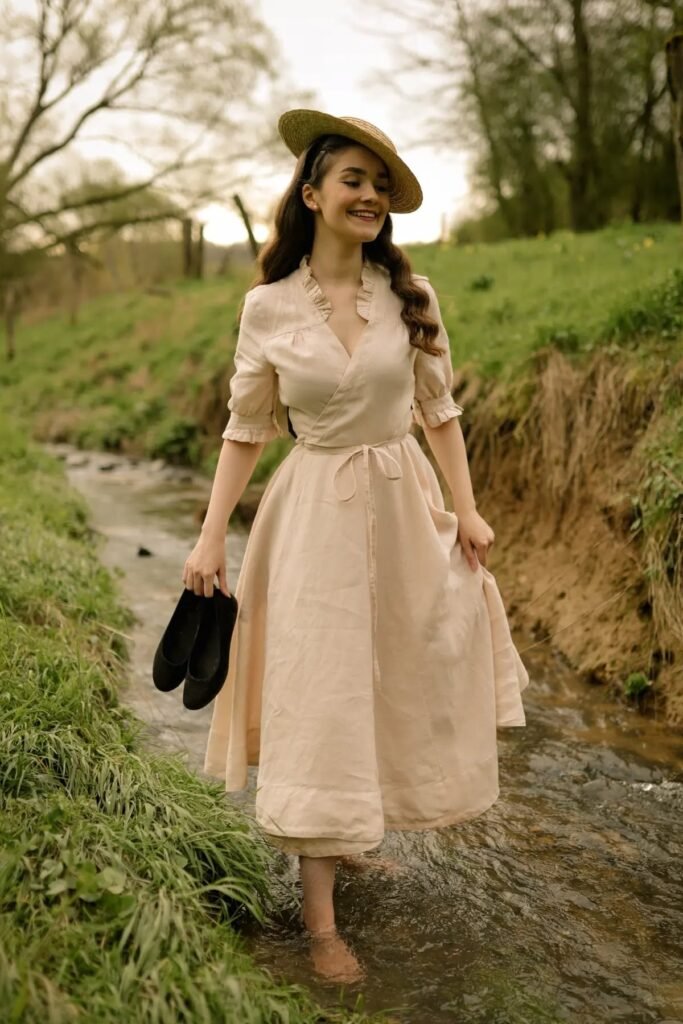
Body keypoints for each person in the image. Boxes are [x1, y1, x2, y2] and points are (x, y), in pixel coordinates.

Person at [185, 109, 529, 982]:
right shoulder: (264, 306)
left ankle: (355, 830)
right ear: (311, 195)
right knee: (321, 689)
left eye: (381, 184)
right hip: (309, 515)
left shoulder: (410, 297)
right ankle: (322, 922)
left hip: (403, 505)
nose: (370, 194)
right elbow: (245, 427)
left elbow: (438, 412)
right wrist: (209, 536)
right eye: (353, 179)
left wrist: (471, 509)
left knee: (393, 667)